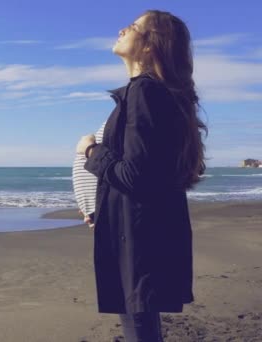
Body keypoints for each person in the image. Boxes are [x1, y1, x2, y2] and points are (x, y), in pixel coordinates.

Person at [75, 10, 207, 341]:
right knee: (141, 323)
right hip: (138, 227)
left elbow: (134, 175)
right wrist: (98, 205)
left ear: (149, 45)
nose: (121, 29)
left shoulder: (145, 93)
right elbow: (145, 170)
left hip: (137, 236)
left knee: (139, 325)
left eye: (132, 27)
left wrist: (90, 151)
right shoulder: (158, 94)